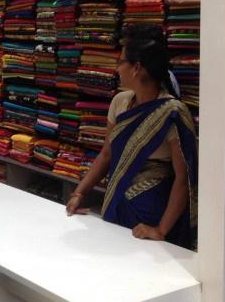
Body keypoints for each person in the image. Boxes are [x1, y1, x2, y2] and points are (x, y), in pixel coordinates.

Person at [66, 25, 197, 249]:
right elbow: (107, 154)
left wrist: (161, 230)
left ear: (136, 68)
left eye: (120, 62)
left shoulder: (172, 113)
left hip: (151, 216)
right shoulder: (120, 102)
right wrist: (80, 192)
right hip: (117, 205)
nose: (117, 68)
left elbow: (183, 178)